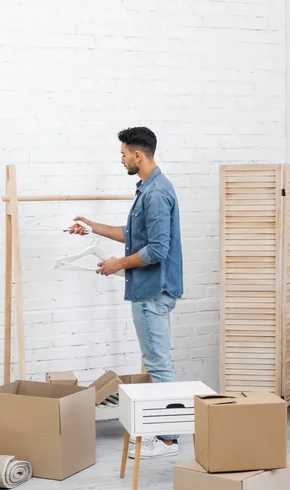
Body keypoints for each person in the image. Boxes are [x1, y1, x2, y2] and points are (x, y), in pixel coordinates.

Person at [68, 126, 183, 459]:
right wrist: (92, 226)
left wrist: (119, 264)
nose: (120, 161)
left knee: (159, 366)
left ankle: (167, 440)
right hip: (149, 291)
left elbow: (157, 249)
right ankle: (167, 435)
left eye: (122, 155)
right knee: (158, 364)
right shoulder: (148, 189)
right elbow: (132, 235)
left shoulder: (157, 193)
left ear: (138, 154)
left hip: (151, 292)